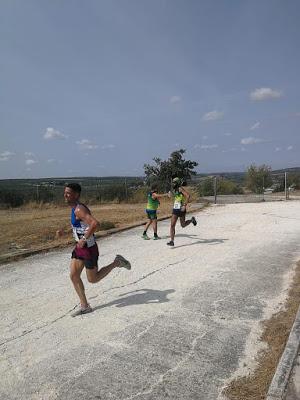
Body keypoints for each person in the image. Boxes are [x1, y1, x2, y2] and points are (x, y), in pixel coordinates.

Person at [57, 183, 131, 317]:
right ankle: (85, 306)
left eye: (68, 193)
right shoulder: (75, 208)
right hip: (79, 248)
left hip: (89, 249)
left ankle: (117, 262)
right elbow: (80, 225)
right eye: (65, 192)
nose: (65, 195)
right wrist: (66, 231)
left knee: (93, 279)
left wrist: (84, 239)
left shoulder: (79, 209)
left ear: (76, 195)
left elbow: (95, 223)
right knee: (74, 275)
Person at [167, 177, 197, 247]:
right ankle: (172, 241)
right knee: (172, 225)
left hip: (181, 209)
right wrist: (169, 195)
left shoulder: (180, 188)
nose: (173, 184)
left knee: (183, 225)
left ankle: (192, 220)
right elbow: (173, 196)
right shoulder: (174, 189)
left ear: (177, 183)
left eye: (174, 182)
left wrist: (184, 205)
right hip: (175, 209)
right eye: (173, 182)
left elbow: (188, 196)